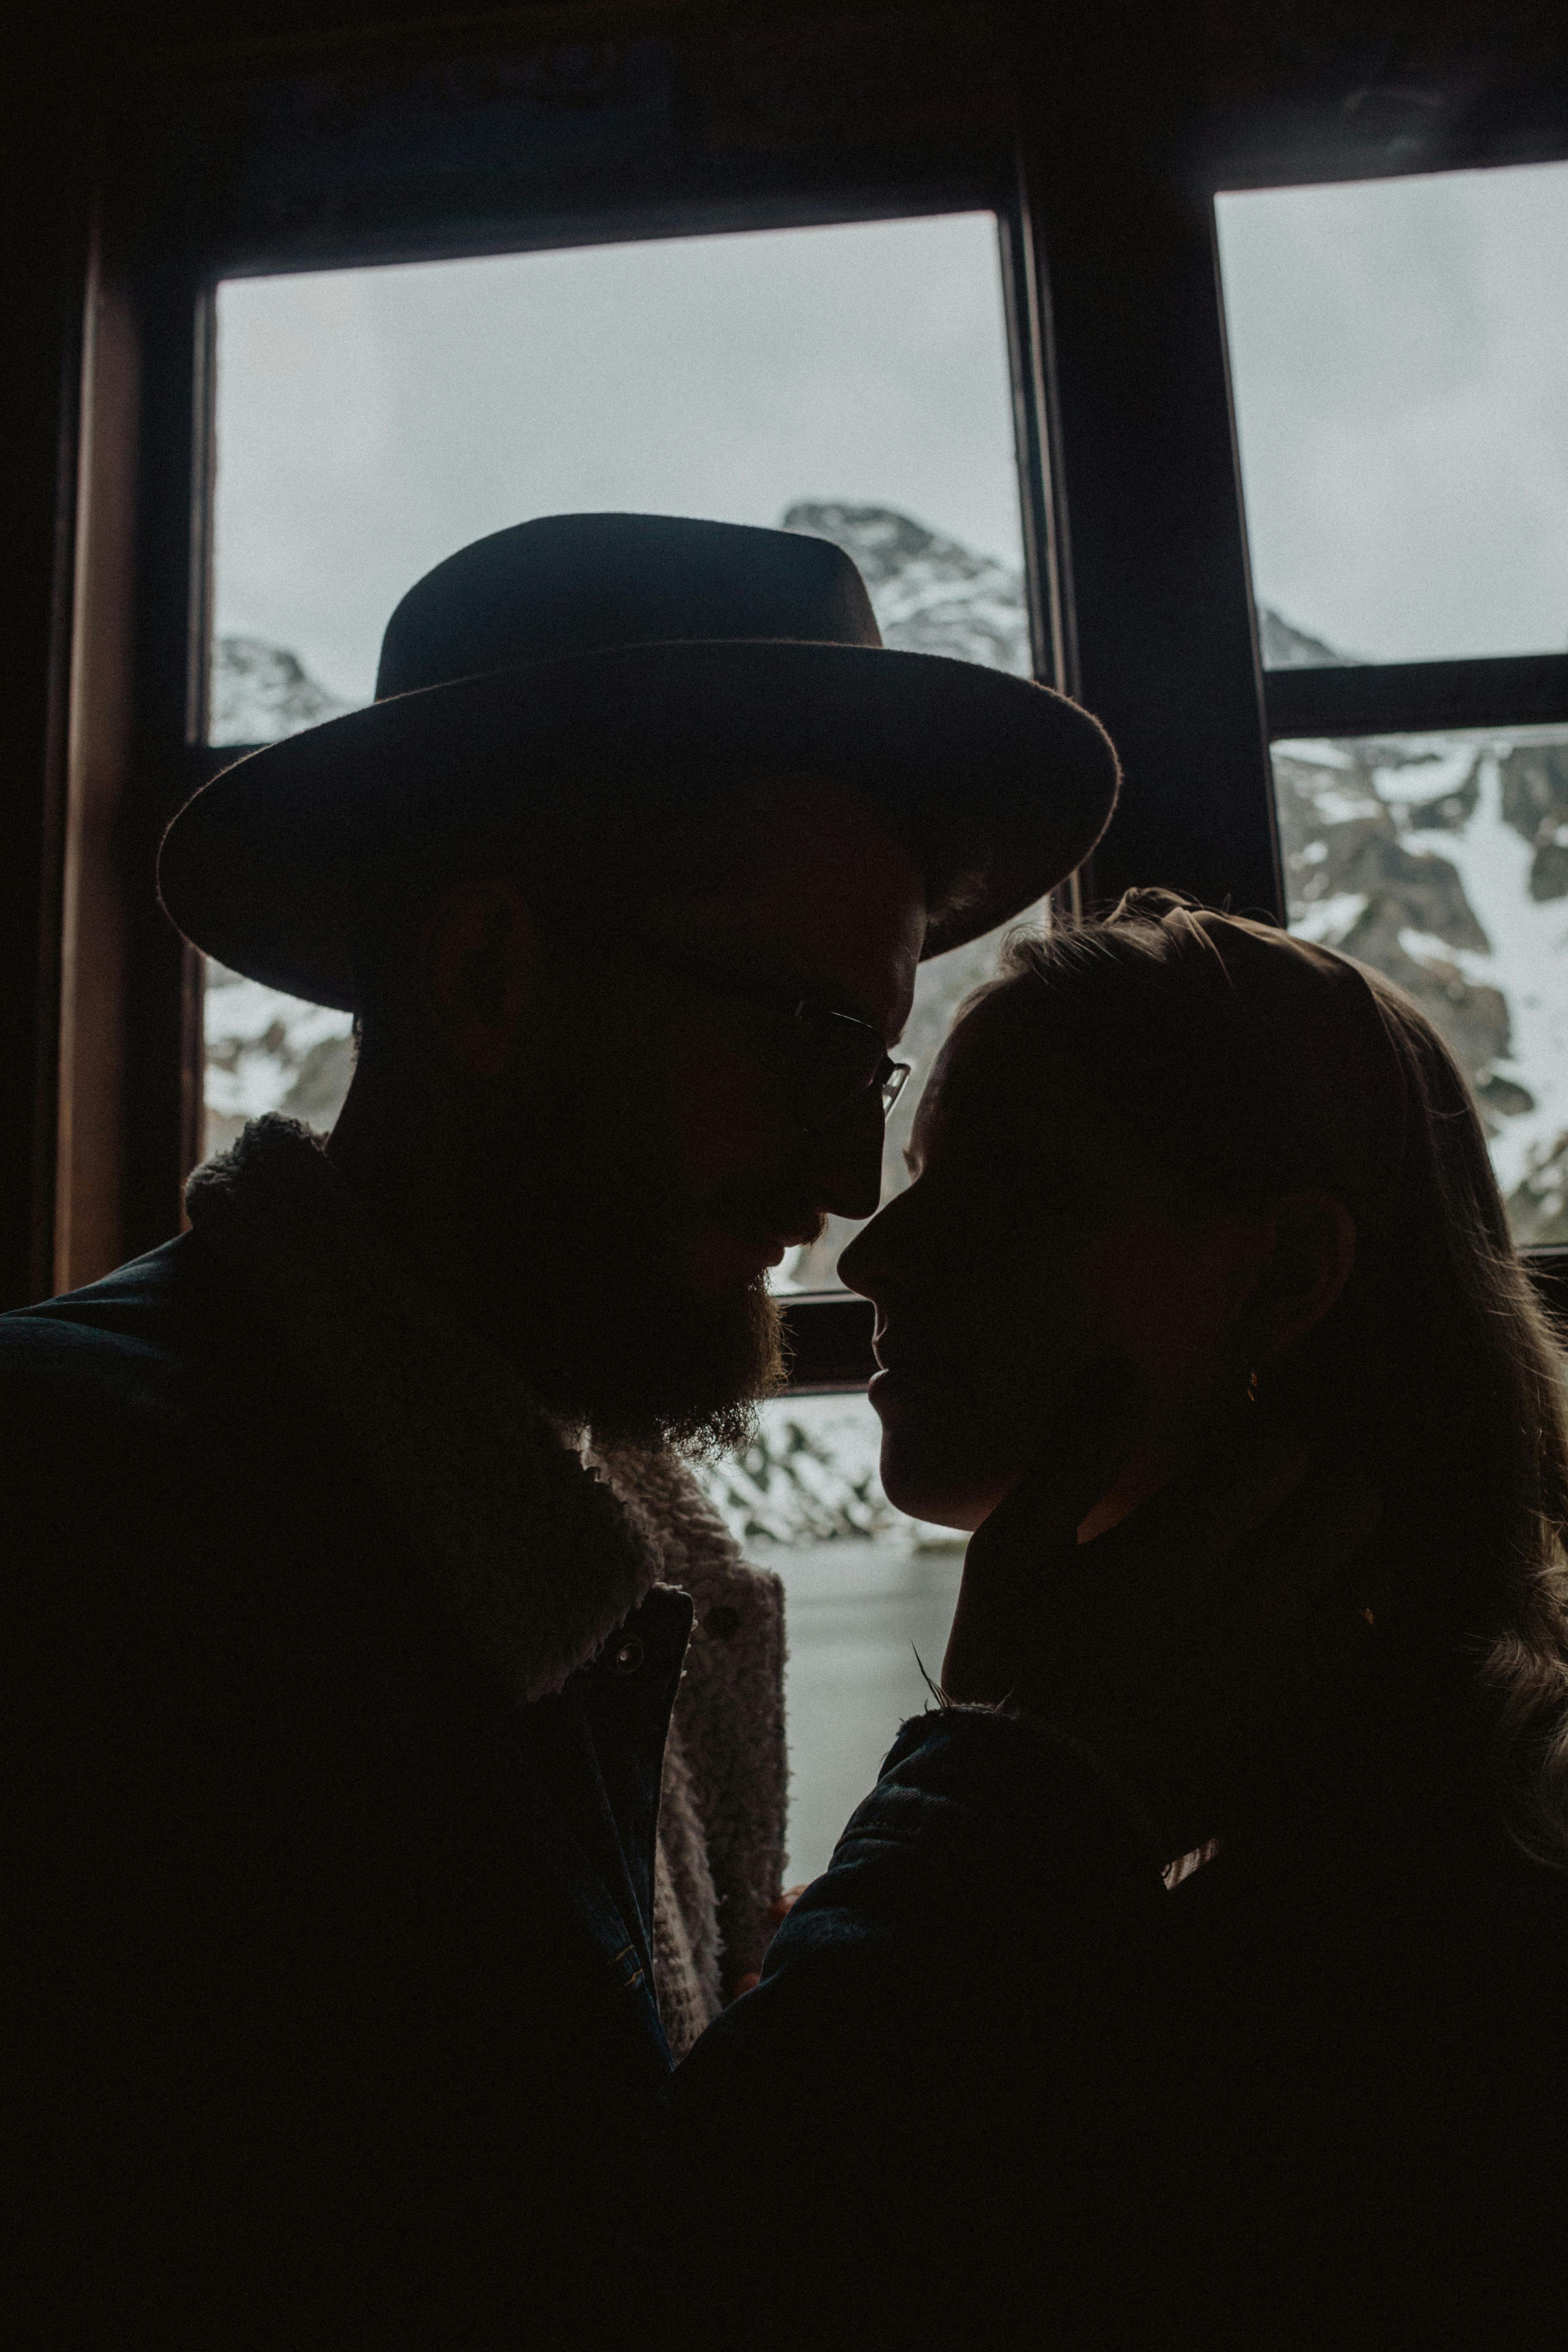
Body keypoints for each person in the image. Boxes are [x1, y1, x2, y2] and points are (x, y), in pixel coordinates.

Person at [678, 890, 1568, 2346]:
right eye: (917, 1176)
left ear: (1286, 1274)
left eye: (1007, 1182)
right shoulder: (1331, 1816)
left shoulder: (1411, 1966)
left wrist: (997, 1791)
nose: (878, 1259)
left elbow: (731, 2259)